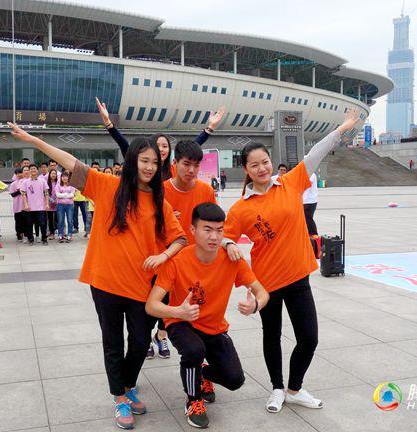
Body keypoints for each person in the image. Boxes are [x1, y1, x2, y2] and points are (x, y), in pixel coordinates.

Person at [9, 122, 187, 430]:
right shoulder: (108, 186)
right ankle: (120, 397)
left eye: (154, 162)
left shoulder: (160, 201)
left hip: (141, 285)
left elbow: (180, 238)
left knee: (140, 341)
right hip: (105, 282)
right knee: (112, 342)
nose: (149, 167)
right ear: (132, 161)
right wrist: (34, 140)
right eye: (143, 160)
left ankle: (127, 385)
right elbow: (70, 162)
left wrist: (163, 256)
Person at [222, 109, 360, 413]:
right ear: (245, 169)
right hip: (266, 284)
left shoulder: (290, 183)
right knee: (271, 336)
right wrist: (230, 244)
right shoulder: (241, 208)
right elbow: (224, 236)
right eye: (254, 165)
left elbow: (315, 153)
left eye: (265, 162)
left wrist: (342, 129)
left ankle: (294, 388)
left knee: (309, 338)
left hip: (298, 277)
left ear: (271, 162)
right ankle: (276, 388)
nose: (262, 168)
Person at [146, 203, 269, 428]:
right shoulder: (177, 261)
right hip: (181, 322)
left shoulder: (232, 259)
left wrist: (255, 306)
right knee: (194, 350)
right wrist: (178, 311)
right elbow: (151, 305)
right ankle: (193, 400)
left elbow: (263, 293)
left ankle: (202, 374)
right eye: (207, 229)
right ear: (193, 230)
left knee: (235, 380)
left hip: (214, 326)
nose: (214, 236)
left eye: (219, 230)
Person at [146, 140, 218, 360]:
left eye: (196, 165)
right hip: (163, 260)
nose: (191, 170)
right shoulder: (160, 191)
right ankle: (148, 337)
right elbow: (145, 225)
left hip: (192, 264)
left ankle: (162, 336)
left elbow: (215, 223)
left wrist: (227, 244)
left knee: (186, 307)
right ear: (175, 164)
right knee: (156, 304)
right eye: (186, 164)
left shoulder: (205, 190)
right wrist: (164, 219)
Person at [95, 98, 225, 181]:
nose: (162, 149)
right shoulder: (142, 167)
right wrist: (108, 124)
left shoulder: (173, 169)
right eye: (158, 145)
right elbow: (123, 145)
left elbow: (192, 146)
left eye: (165, 146)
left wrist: (210, 127)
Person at [21, 164, 50, 245]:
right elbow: (23, 194)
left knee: (43, 224)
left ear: (37, 170)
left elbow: (46, 193)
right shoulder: (25, 182)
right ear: (29, 171)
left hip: (41, 207)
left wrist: (47, 204)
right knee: (29, 224)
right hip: (30, 208)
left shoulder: (42, 181)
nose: (33, 170)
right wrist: (26, 205)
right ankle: (31, 239)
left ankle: (44, 239)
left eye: (34, 169)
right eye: (31, 169)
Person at [55, 170, 76, 243]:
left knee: (70, 220)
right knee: (60, 220)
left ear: (68, 177)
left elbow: (72, 195)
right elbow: (57, 195)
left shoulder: (72, 185)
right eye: (63, 176)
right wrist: (67, 194)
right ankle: (61, 235)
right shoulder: (58, 185)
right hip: (60, 205)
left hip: (69, 205)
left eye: (66, 176)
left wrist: (62, 194)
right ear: (61, 178)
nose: (64, 178)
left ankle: (69, 234)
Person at [9, 167, 28, 241]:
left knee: (26, 220)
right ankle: (19, 234)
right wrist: (19, 191)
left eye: (20, 173)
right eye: (17, 173)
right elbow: (12, 194)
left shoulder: (26, 181)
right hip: (17, 205)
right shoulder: (14, 184)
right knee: (18, 221)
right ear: (15, 174)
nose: (19, 175)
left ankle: (26, 234)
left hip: (25, 205)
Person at [303, 172, 319, 236]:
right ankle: (309, 233)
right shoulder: (305, 174)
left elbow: (307, 183)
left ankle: (314, 234)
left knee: (308, 218)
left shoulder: (312, 174)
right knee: (306, 219)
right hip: (306, 201)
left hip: (310, 201)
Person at [45, 169, 59, 239]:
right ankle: (52, 233)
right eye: (52, 173)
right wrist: (51, 200)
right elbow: (45, 193)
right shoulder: (47, 183)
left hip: (58, 203)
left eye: (55, 174)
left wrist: (56, 201)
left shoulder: (58, 183)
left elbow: (60, 192)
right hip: (49, 203)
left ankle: (61, 233)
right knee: (50, 220)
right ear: (49, 175)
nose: (53, 175)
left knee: (58, 219)